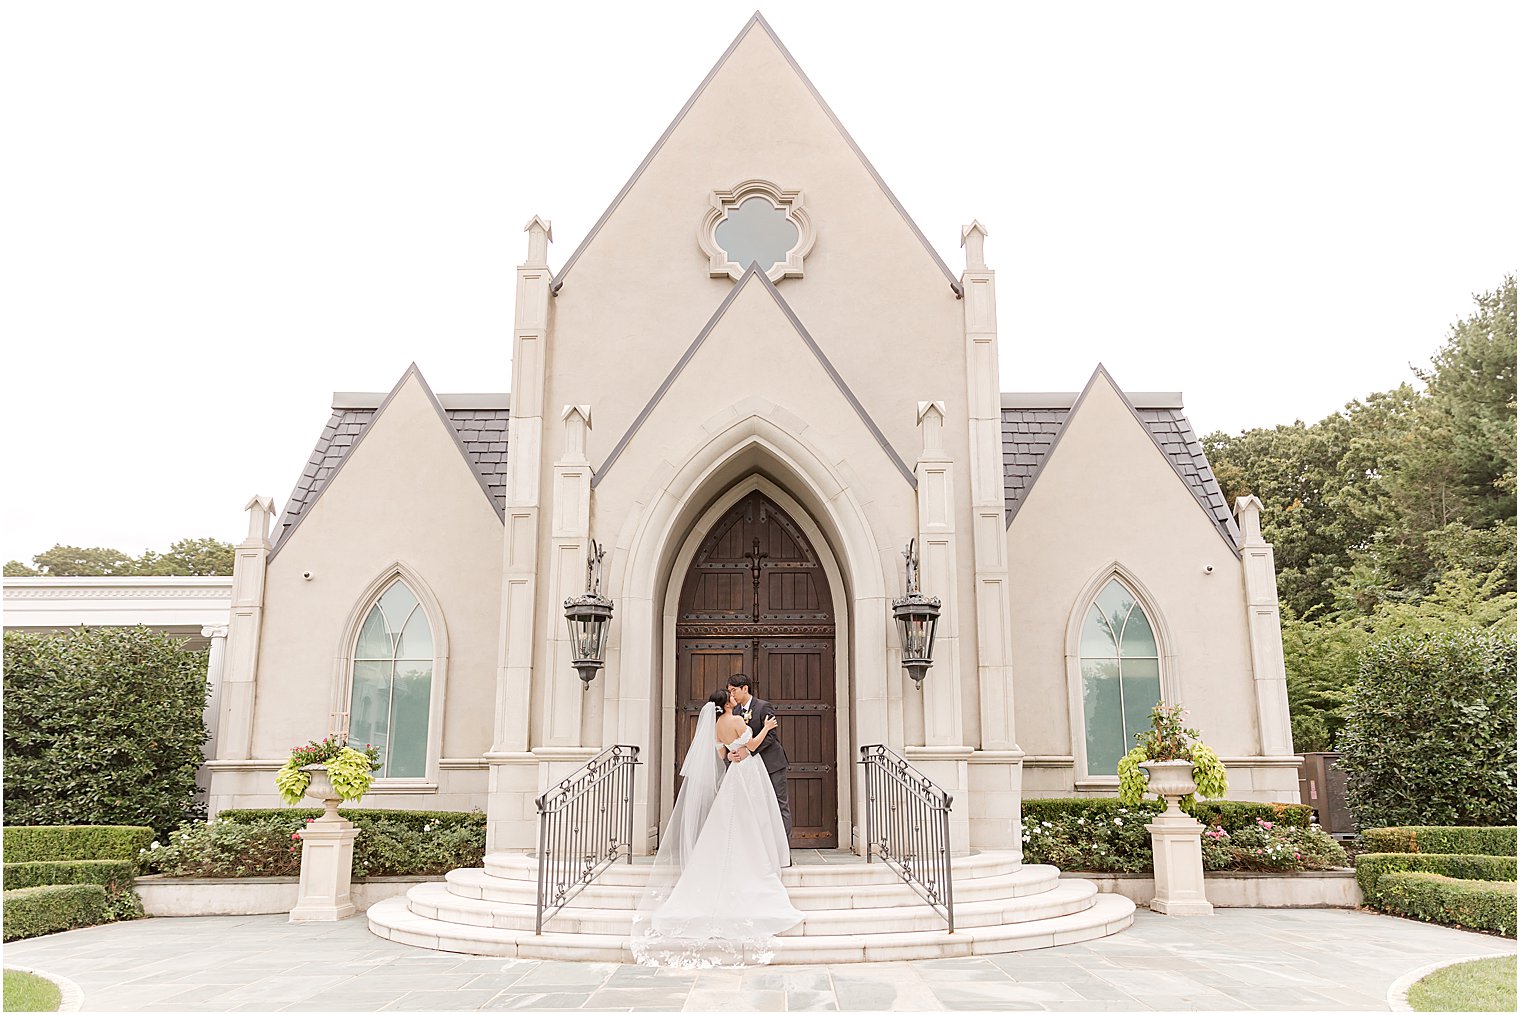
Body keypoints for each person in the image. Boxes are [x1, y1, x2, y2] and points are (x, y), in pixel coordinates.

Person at [629, 687, 801, 967]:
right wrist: (765, 728)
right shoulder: (735, 721)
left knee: (731, 818)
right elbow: (753, 746)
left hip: (734, 772)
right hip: (748, 772)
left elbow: (723, 753)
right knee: (751, 816)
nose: (734, 697)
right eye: (731, 696)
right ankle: (756, 857)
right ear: (727, 703)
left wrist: (734, 752)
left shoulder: (717, 726)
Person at [727, 673, 792, 842]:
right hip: (750, 768)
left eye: (734, 690)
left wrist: (749, 750)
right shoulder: (735, 711)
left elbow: (771, 736)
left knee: (779, 805)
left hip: (772, 764)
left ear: (745, 688)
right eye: (730, 691)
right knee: (757, 807)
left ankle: (782, 849)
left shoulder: (763, 707)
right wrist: (731, 752)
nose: (732, 695)